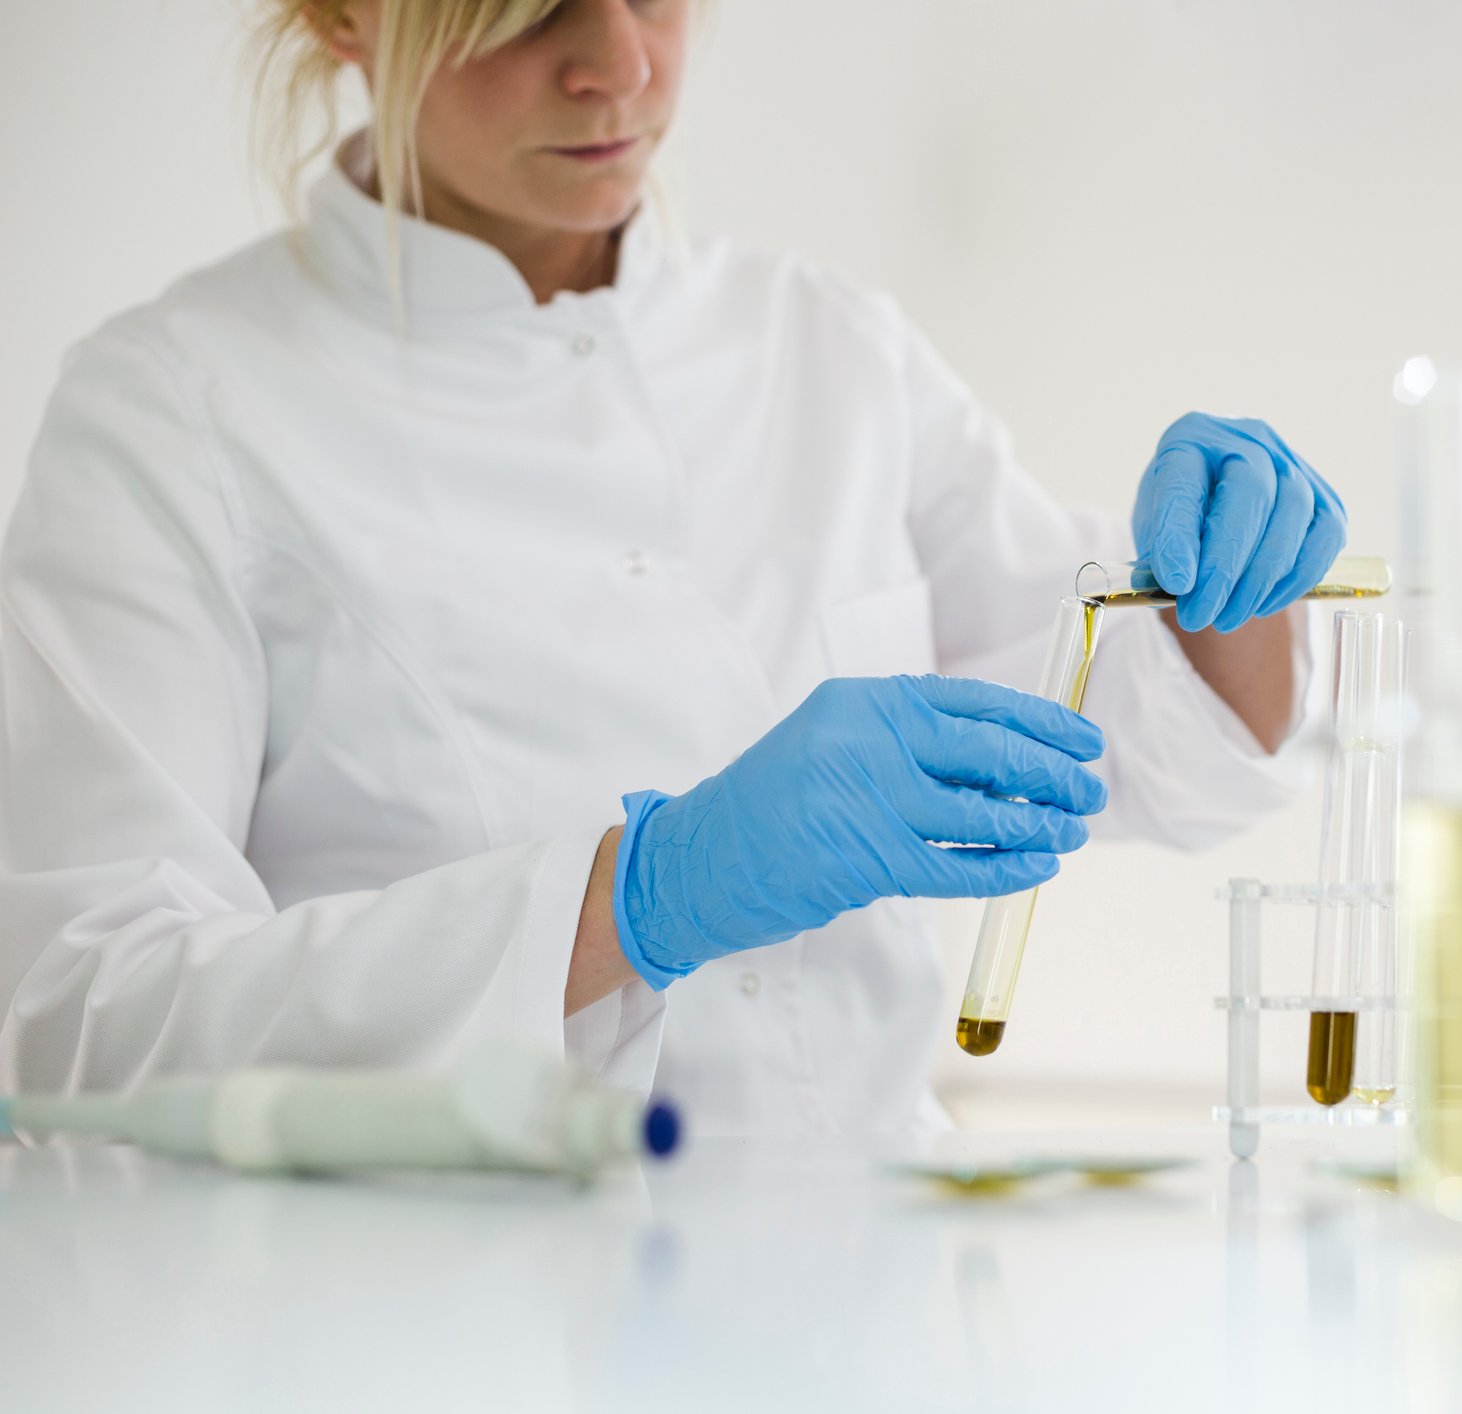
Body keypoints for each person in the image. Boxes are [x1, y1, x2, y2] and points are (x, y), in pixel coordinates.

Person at [0, 0, 1345, 1134]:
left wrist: (1237, 582)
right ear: (345, 16)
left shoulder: (825, 347)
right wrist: (637, 895)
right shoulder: (173, 413)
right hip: (432, 1325)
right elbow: (89, 1020)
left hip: (874, 1304)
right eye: (527, 10)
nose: (620, 66)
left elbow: (1150, 736)